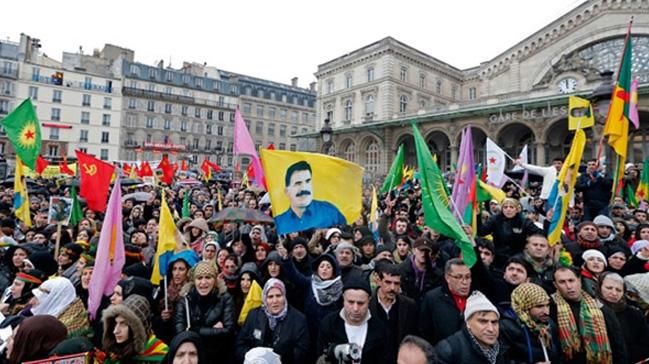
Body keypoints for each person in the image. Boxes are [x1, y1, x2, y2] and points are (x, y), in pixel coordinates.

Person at [551, 266, 627, 364]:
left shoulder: (599, 307)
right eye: (562, 282)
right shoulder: (551, 307)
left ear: (579, 280)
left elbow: (618, 343)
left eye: (571, 280)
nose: (569, 286)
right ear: (555, 285)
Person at [317, 277, 394, 364]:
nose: (355, 308)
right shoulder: (329, 324)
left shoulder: (380, 329)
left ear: (369, 301)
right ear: (343, 299)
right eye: (351, 302)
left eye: (361, 303)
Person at [235, 278, 309, 364]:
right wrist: (255, 357)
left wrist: (280, 358)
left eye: (278, 295)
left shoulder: (298, 319)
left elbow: (303, 352)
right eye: (270, 297)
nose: (275, 301)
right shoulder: (253, 315)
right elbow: (240, 345)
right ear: (264, 299)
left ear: (284, 296)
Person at [174, 261, 235, 363]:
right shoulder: (185, 300)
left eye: (208, 277)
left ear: (215, 280)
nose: (203, 282)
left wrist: (194, 330)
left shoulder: (225, 298)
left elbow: (228, 331)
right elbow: (181, 333)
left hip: (218, 357)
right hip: (193, 357)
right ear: (194, 281)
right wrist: (212, 331)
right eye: (199, 278)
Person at [434, 291, 510, 363]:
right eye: (483, 322)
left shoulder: (503, 346)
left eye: (494, 322)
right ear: (468, 323)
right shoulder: (449, 350)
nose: (491, 329)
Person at [274, 161, 346, 234]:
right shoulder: (280, 222)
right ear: (287, 191)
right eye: (298, 183)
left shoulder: (330, 212)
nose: (304, 188)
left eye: (308, 181)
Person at [500, 282, 561, 363]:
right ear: (524, 306)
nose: (547, 312)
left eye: (547, 305)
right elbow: (502, 360)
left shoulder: (548, 323)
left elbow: (558, 355)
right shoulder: (507, 326)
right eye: (539, 306)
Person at [100, 294, 169, 363]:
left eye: (123, 324)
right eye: (115, 323)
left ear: (137, 328)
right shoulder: (114, 353)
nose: (115, 331)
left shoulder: (160, 353)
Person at [597, 272, 649, 363]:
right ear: (599, 288)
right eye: (609, 288)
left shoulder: (635, 314)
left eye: (618, 290)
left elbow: (646, 342)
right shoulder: (591, 311)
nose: (614, 293)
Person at [419, 258, 472, 344]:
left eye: (467, 277)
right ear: (447, 278)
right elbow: (424, 332)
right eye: (458, 277)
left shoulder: (476, 299)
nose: (465, 282)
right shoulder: (432, 299)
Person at [369, 261, 418, 352]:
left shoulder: (409, 306)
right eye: (388, 282)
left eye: (396, 283)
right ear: (379, 281)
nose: (392, 288)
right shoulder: (367, 304)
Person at [398, 237, 443, 302]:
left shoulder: (437, 274)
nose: (424, 254)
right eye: (421, 250)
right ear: (413, 250)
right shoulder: (401, 270)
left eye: (427, 251)